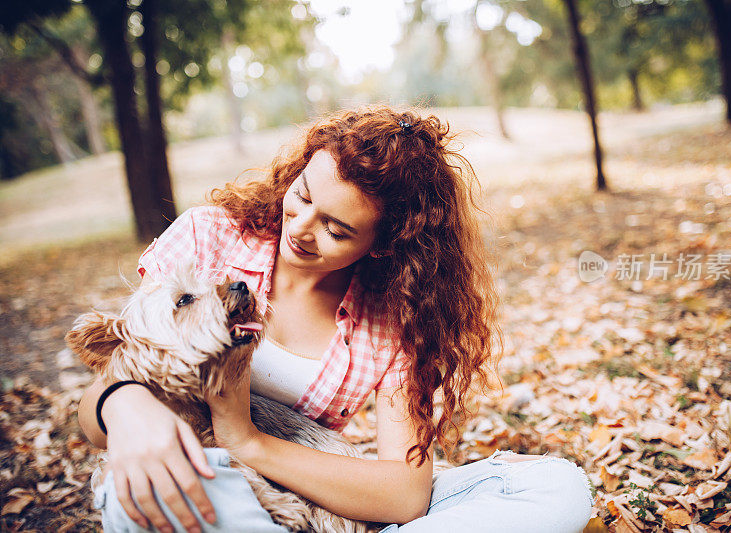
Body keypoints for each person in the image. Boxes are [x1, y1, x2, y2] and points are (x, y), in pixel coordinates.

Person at [77, 106, 593, 533]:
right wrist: (126, 408)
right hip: (214, 481)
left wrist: (246, 439)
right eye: (301, 196)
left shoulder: (396, 318)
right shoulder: (209, 236)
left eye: (337, 229)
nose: (300, 229)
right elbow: (108, 387)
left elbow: (405, 494)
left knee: (558, 488)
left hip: (315, 494)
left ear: (384, 245)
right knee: (141, 496)